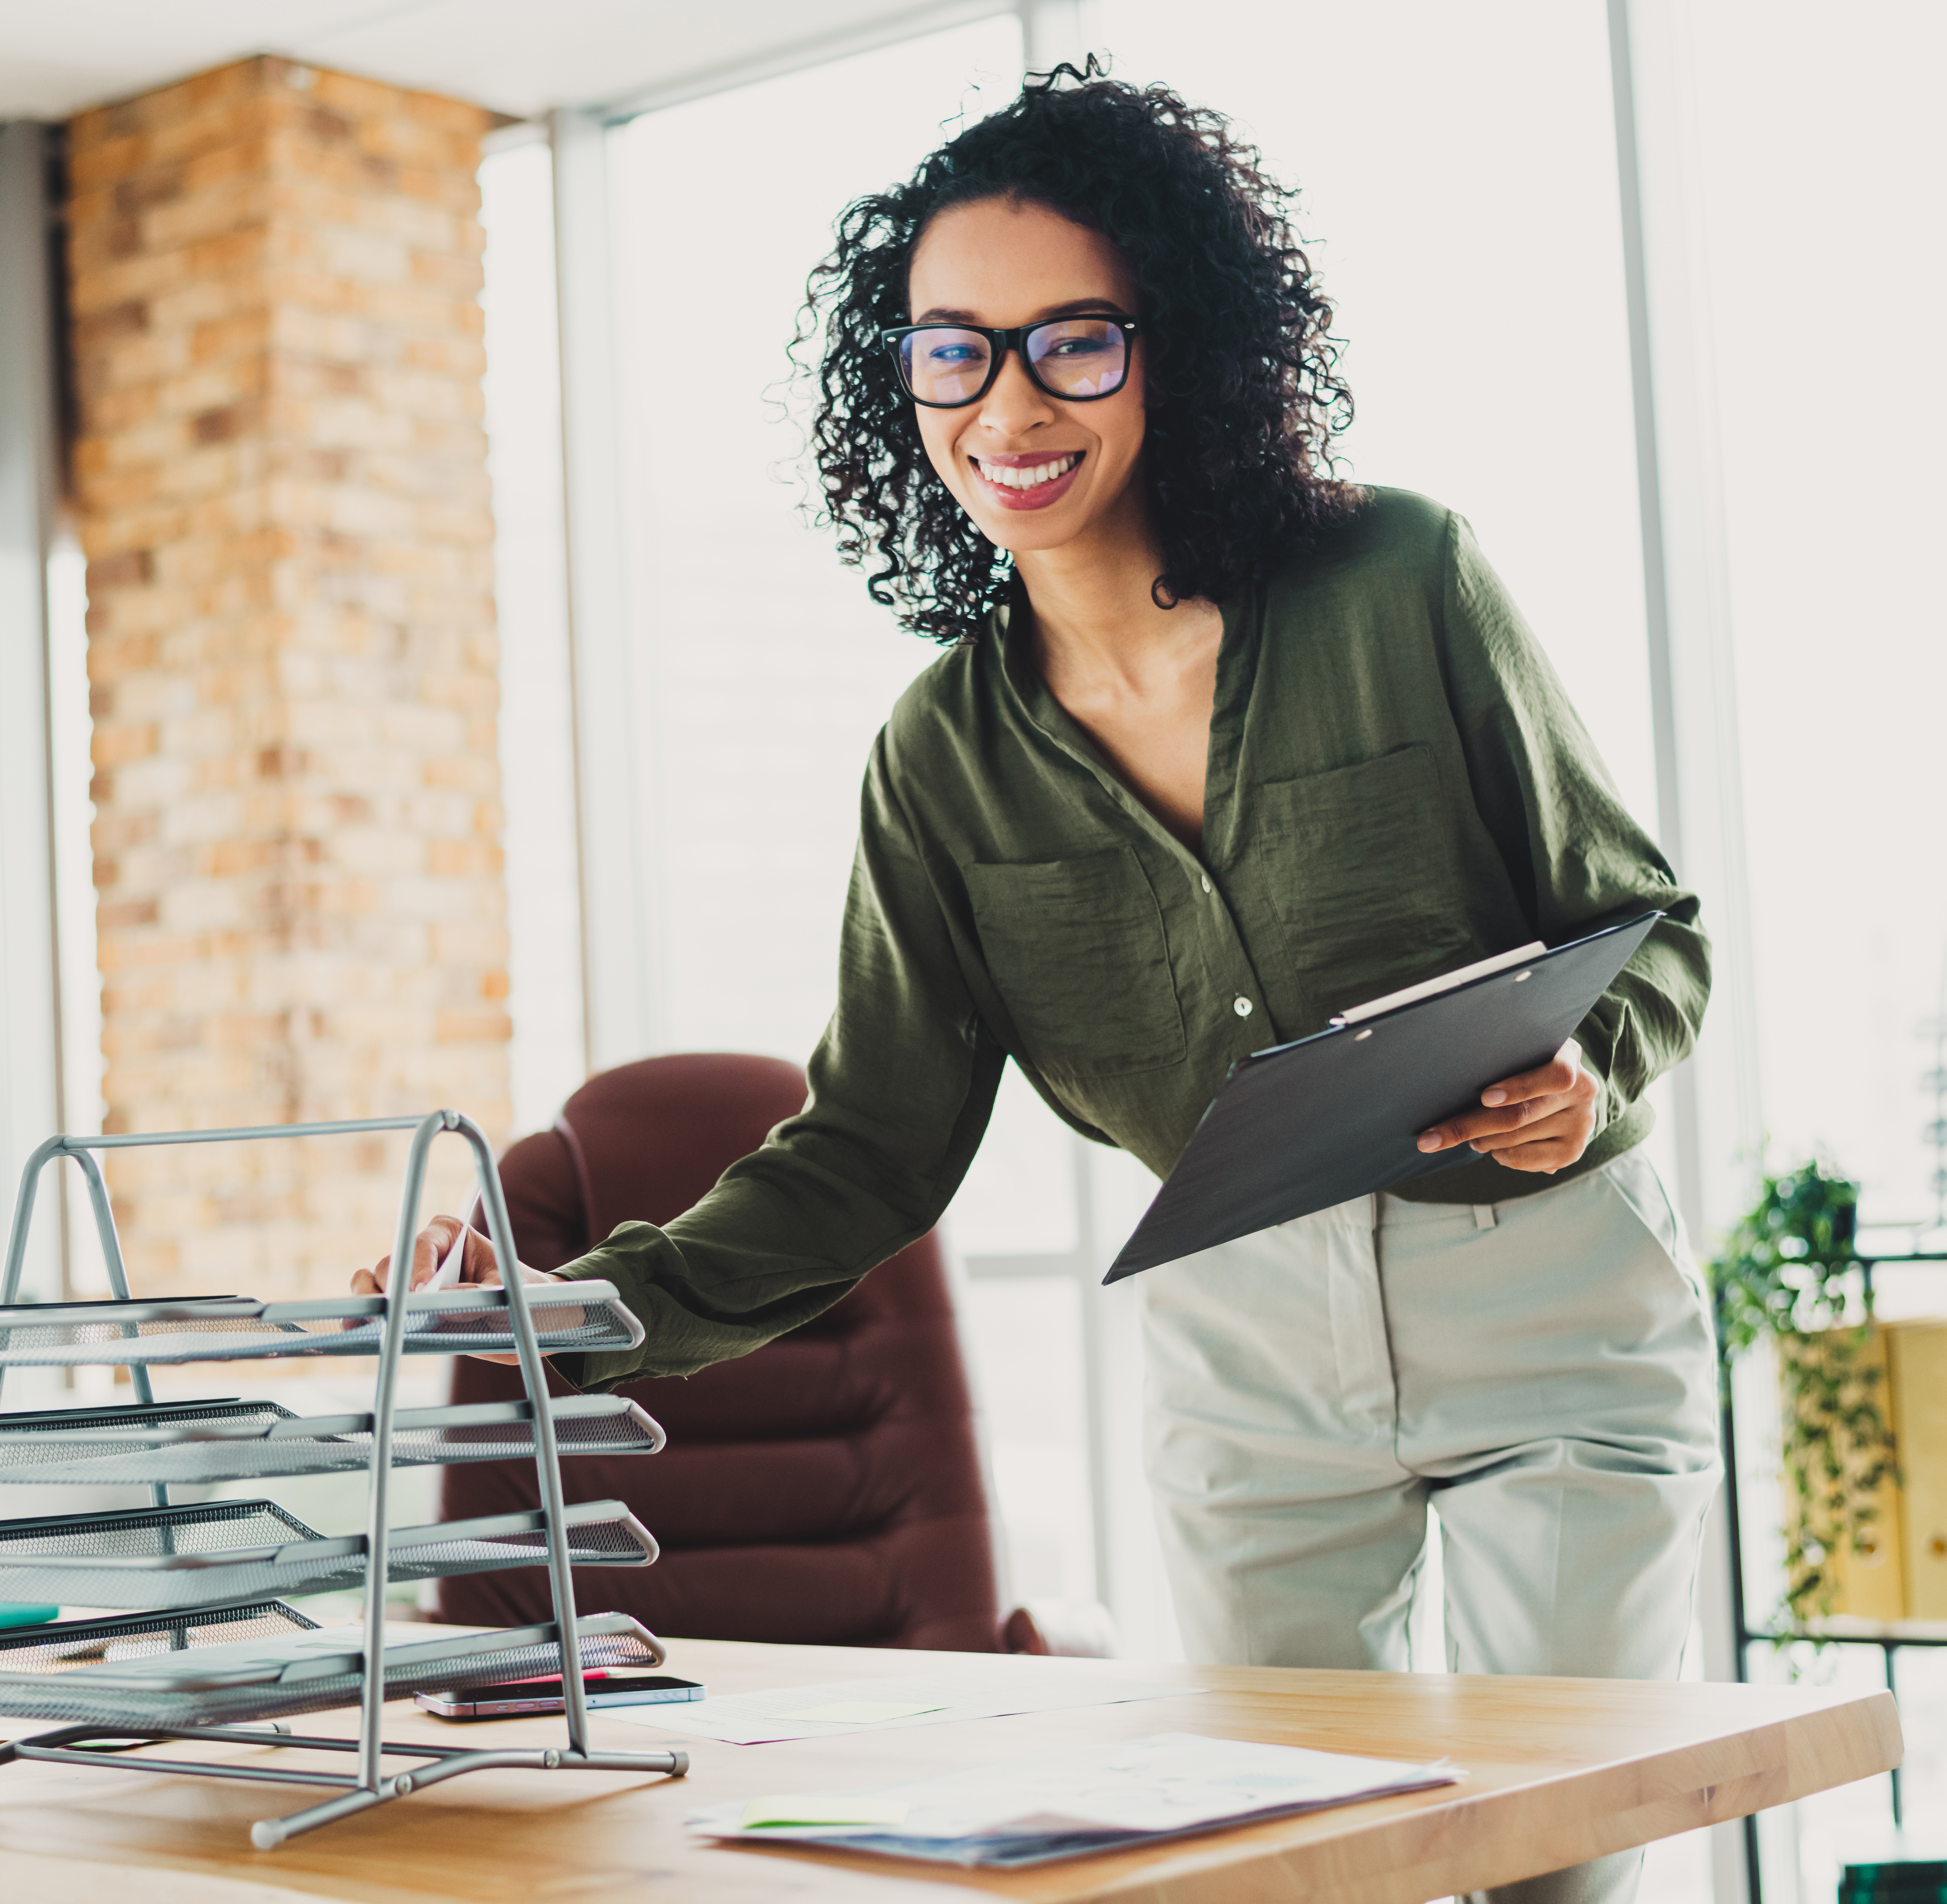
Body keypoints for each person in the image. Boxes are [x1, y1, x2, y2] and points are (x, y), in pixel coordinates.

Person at [359, 69, 1717, 1904]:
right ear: (897, 382)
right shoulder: (939, 761)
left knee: (1567, 1860)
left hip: (1540, 1296)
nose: (1009, 405)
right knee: (1301, 1866)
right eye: (954, 353)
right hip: (1245, 1357)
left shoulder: (1406, 578)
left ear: (1182, 348)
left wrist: (1590, 1074)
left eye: (1075, 343)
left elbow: (1643, 920)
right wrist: (557, 1314)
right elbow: (865, 1154)